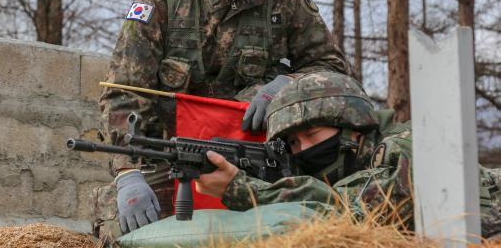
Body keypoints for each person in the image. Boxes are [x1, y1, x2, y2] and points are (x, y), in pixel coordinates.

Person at [95, 0, 349, 238]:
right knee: (124, 226)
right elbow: (123, 95)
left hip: (263, 159)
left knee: (309, 225)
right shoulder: (160, 6)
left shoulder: (288, 4)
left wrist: (288, 85)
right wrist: (128, 174)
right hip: (173, 160)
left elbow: (334, 72)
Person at [195, 71, 501, 238]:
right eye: (294, 143)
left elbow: (351, 213)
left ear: (352, 128)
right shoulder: (357, 161)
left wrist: (241, 189)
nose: (303, 149)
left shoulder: (407, 145)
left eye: (312, 135)